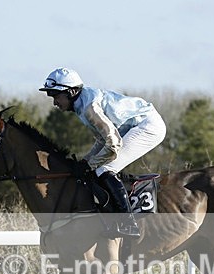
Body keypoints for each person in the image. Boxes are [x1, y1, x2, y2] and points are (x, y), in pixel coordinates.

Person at [39, 67, 166, 237]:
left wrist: (90, 164)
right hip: (136, 125)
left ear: (71, 91)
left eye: (56, 96)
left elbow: (113, 144)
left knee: (105, 169)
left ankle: (129, 223)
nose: (54, 102)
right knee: (97, 168)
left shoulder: (89, 108)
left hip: (148, 126)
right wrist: (85, 161)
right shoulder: (81, 104)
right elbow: (102, 140)